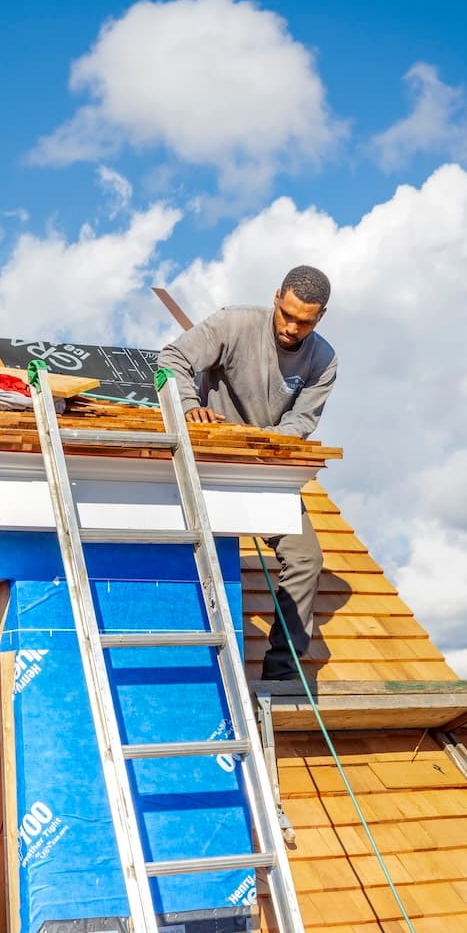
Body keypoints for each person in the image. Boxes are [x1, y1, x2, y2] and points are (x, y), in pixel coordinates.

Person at [157, 265, 336, 681]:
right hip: (207, 462)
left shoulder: (323, 360)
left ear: (321, 316)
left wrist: (258, 446)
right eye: (286, 314)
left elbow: (301, 423)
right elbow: (172, 358)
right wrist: (187, 407)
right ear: (276, 296)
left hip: (264, 469)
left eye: (304, 321)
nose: (291, 327)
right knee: (188, 554)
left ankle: (281, 674)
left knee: (306, 556)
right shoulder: (234, 323)